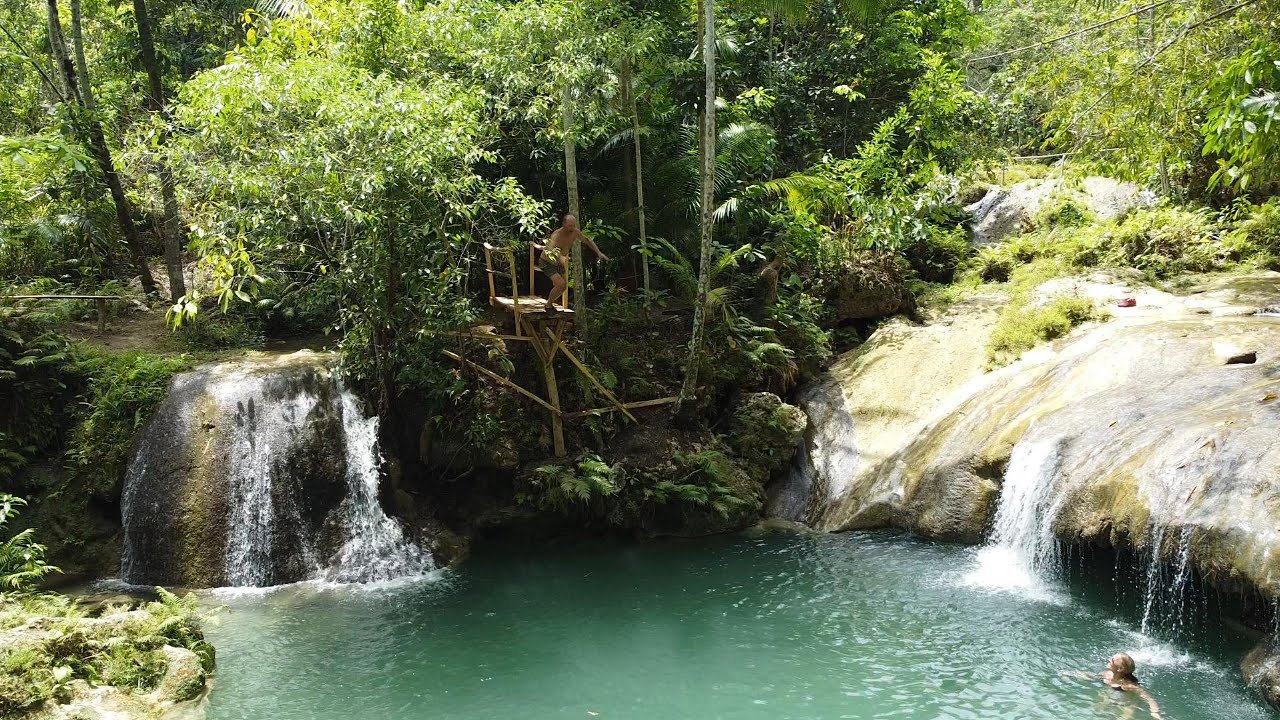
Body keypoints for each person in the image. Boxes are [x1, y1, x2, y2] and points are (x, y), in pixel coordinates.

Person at [536, 214, 609, 310]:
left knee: (563, 287)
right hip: (547, 262)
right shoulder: (556, 235)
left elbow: (587, 240)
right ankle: (548, 305)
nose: (572, 228)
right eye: (570, 226)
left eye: (573, 225)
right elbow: (549, 249)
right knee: (560, 284)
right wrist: (559, 257)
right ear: (564, 224)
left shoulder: (575, 232)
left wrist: (599, 252)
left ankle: (550, 303)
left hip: (559, 264)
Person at [1063, 653, 1164, 719]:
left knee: (1125, 718)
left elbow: (1148, 698)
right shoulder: (1108, 674)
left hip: (1127, 703)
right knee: (1096, 710)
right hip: (1110, 696)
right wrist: (1071, 674)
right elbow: (1092, 676)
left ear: (1120, 669)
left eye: (1111, 661)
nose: (1109, 661)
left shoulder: (1128, 685)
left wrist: (1155, 712)